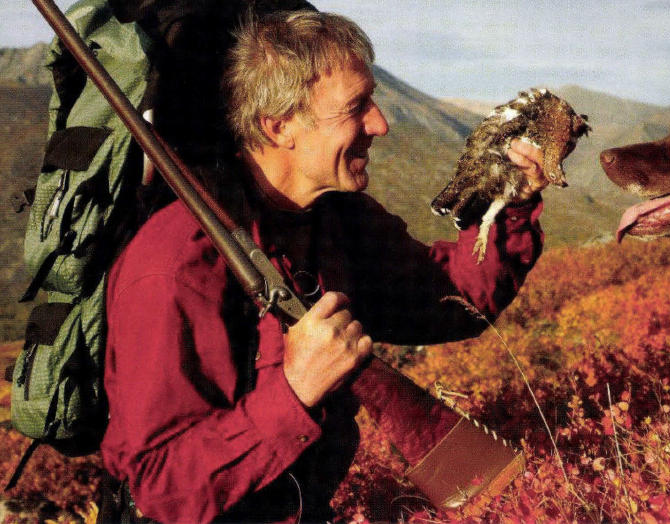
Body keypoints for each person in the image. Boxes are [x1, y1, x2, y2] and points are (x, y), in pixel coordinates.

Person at [100, 10, 549, 524]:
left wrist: (508, 206)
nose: (380, 123)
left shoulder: (337, 218)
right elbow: (162, 486)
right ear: (280, 125)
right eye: (356, 108)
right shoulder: (176, 264)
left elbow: (449, 300)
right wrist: (294, 390)